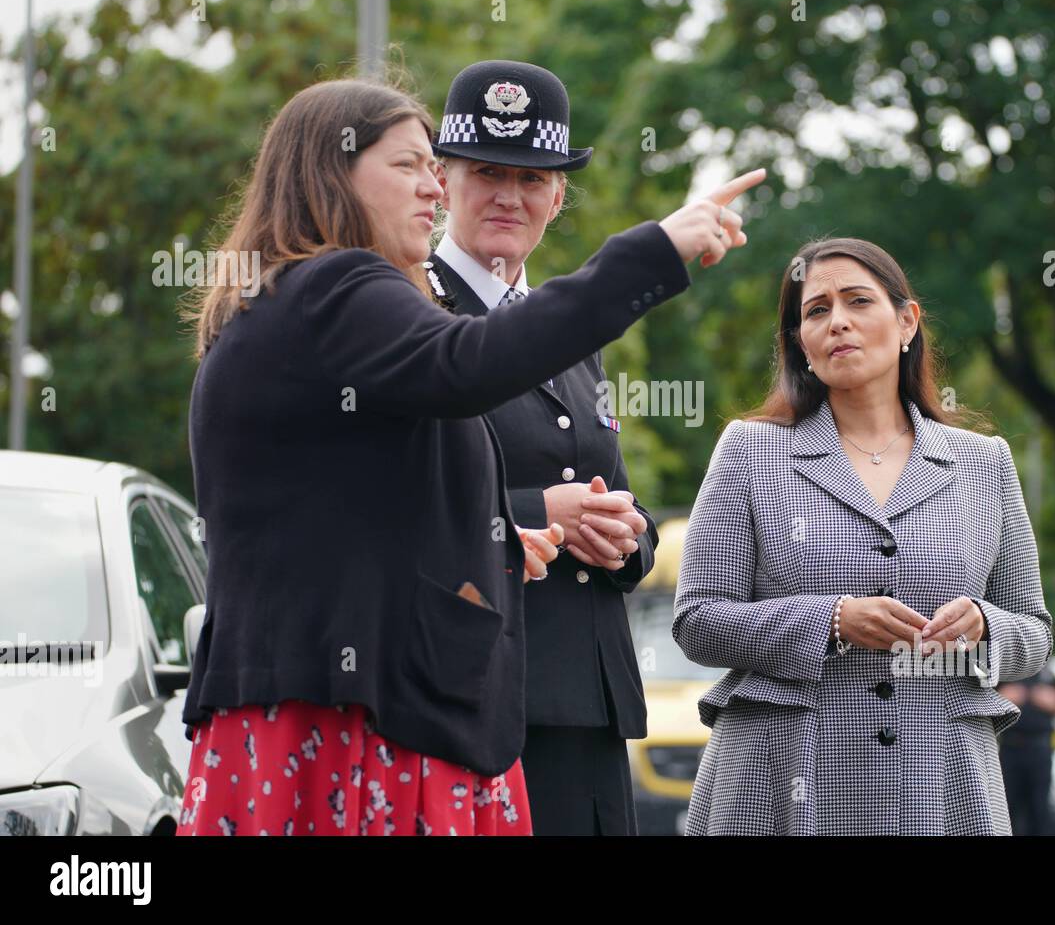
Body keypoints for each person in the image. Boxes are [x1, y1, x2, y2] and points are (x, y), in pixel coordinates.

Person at [177, 76, 763, 835]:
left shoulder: (288, 300)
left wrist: (498, 543)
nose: (432, 187)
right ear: (333, 171)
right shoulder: (340, 285)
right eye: (414, 167)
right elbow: (468, 364)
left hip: (349, 707)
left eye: (433, 167)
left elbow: (344, 507)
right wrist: (657, 251)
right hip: (354, 712)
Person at [673, 237, 1054, 835]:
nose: (838, 322)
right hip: (781, 784)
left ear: (907, 322)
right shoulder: (749, 452)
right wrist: (830, 620)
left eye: (858, 301)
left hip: (941, 787)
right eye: (816, 310)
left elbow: (1033, 634)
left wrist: (984, 624)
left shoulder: (984, 463)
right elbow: (697, 621)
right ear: (800, 342)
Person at [425, 60, 654, 835]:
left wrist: (626, 534)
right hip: (470, 700)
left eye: (532, 178)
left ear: (558, 197)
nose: (508, 196)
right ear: (442, 177)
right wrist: (539, 513)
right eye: (487, 171)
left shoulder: (573, 331)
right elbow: (390, 504)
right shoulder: (410, 313)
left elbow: (622, 498)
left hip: (588, 710)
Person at [998, 664, 1055, 835]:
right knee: (1006, 808)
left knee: (1039, 808)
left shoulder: (1048, 675)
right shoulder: (1006, 672)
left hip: (1039, 750)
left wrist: (1052, 702)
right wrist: (1003, 698)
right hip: (1010, 749)